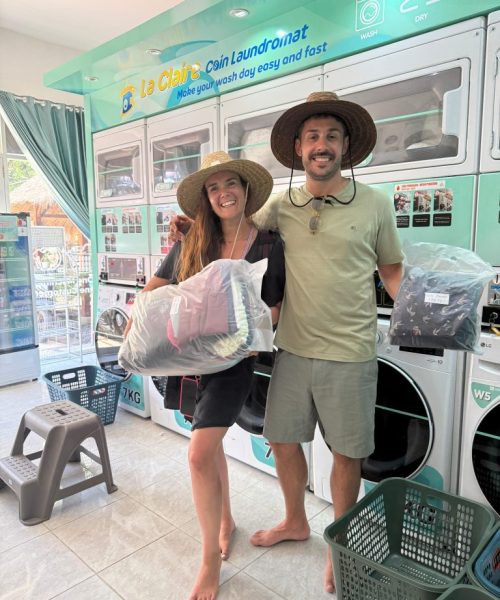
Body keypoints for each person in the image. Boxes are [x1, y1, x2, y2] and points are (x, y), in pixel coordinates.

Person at [245, 91, 404, 594]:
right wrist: (188, 230)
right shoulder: (281, 205)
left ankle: (342, 543)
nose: (322, 145)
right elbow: (235, 234)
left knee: (346, 454)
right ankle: (295, 521)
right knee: (281, 439)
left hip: (351, 352)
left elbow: (392, 269)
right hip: (292, 348)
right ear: (298, 147)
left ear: (345, 146)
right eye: (312, 136)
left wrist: (422, 313)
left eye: (332, 136)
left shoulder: (375, 203)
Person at [127, 151, 284, 600]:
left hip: (234, 363)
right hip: (190, 362)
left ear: (246, 189)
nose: (223, 193)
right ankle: (225, 522)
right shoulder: (193, 241)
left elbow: (274, 307)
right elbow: (154, 291)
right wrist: (148, 314)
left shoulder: (269, 244)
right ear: (206, 199)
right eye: (213, 188)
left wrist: (247, 332)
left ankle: (209, 562)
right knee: (208, 447)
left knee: (198, 454)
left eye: (230, 183)